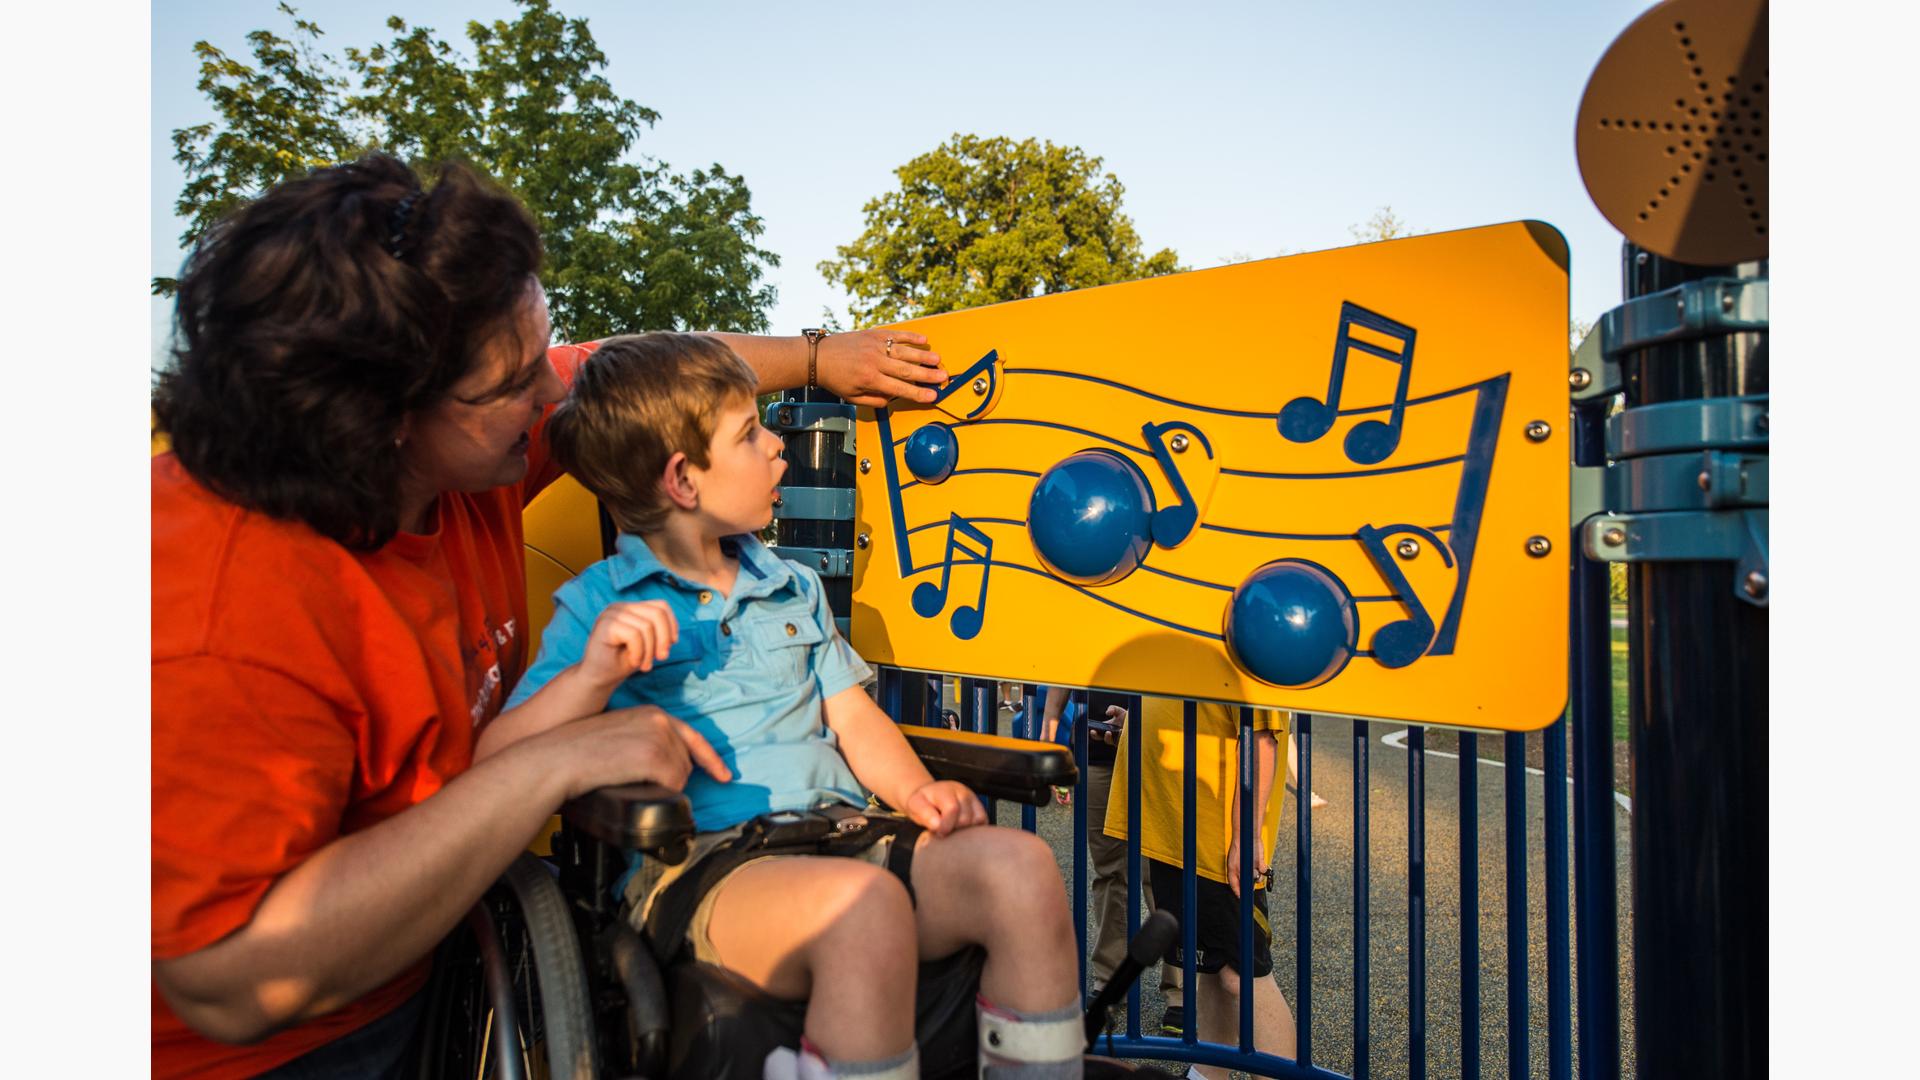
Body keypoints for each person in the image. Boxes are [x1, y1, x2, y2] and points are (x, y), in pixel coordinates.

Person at [150, 153, 950, 1079]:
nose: (552, 399)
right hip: (289, 1046)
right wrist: (555, 761)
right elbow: (231, 981)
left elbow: (624, 371)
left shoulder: (470, 444)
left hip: (449, 956)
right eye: (514, 382)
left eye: (541, 354)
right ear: (381, 418)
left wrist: (818, 359)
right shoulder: (221, 610)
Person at [496, 333, 1084, 1079]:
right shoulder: (599, 607)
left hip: (846, 835)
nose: (779, 446)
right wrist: (587, 679)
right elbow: (498, 759)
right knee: (862, 913)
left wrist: (915, 791)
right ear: (683, 480)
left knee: (1022, 870)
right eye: (750, 434)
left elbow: (853, 717)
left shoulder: (793, 586)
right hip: (706, 867)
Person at [1102, 699, 1298, 1078]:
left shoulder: (1240, 642)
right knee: (1209, 966)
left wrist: (1245, 836)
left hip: (1215, 841)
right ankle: (1207, 1074)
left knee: (1241, 974)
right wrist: (1138, 725)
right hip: (1178, 833)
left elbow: (1260, 738)